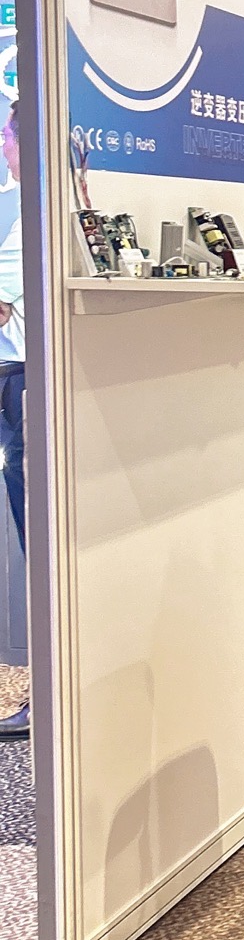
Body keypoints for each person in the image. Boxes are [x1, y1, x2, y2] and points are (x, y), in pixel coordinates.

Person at [0, 104, 26, 742]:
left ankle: (46, 698)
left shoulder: (32, 212)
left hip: (23, 379)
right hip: (19, 377)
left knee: (38, 542)